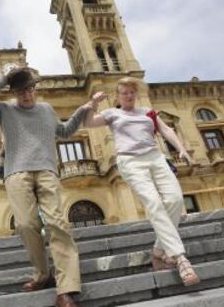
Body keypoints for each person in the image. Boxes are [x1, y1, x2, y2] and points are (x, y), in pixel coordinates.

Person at [0, 65, 92, 307]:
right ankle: (43, 274)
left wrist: (82, 111)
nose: (26, 95)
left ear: (35, 89)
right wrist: (6, 77)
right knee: (26, 224)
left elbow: (64, 132)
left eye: (29, 90)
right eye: (20, 91)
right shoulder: (4, 110)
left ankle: (67, 289)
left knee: (57, 223)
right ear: (14, 93)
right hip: (16, 172)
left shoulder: (47, 110)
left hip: (47, 170)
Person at [83, 77, 200, 287]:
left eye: (131, 92)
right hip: (130, 161)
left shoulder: (147, 112)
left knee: (174, 200)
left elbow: (166, 130)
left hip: (155, 157)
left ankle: (158, 250)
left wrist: (180, 147)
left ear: (135, 94)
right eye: (124, 93)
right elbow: (88, 123)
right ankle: (180, 258)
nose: (128, 95)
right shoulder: (112, 113)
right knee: (154, 204)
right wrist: (93, 104)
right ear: (118, 96)